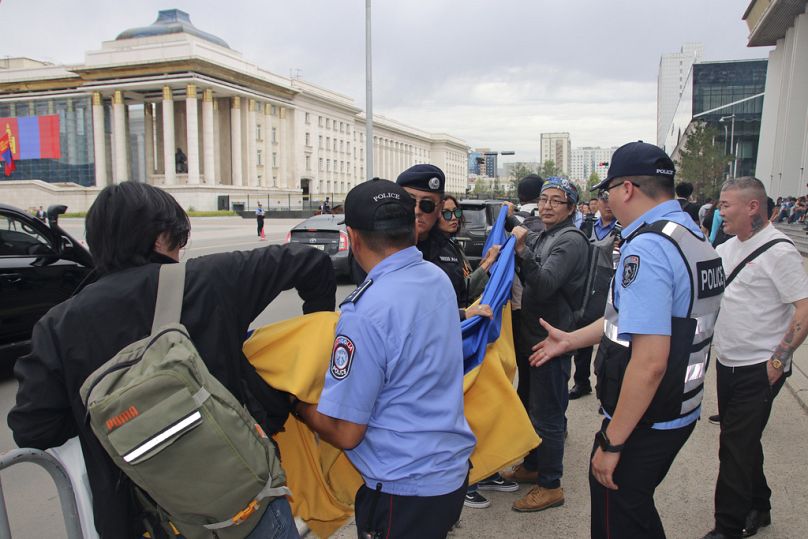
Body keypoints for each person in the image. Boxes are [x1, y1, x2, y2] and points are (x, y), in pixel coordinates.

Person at [7, 181, 336, 539]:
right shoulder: (211, 280)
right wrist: (311, 330)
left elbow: (33, 429)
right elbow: (312, 263)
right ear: (161, 237)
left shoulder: (57, 326)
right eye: (179, 240)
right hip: (242, 504)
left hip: (144, 520)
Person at [530, 142, 723, 538]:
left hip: (645, 416)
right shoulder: (689, 235)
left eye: (608, 191)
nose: (607, 199)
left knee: (618, 517)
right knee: (634, 510)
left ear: (627, 189)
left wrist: (612, 442)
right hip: (678, 406)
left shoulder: (649, 248)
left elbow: (650, 362)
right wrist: (571, 339)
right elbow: (633, 320)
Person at [292, 178, 476, 538]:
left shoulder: (364, 313)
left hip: (403, 489)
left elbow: (346, 432)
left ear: (354, 238)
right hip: (448, 472)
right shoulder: (435, 278)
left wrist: (296, 404)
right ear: (412, 227)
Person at [701, 177, 808, 539]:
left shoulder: (780, 251)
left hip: (760, 368)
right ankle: (759, 505)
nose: (719, 210)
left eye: (725, 204)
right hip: (728, 362)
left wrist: (778, 361)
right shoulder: (727, 247)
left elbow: (804, 310)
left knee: (733, 446)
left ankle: (726, 527)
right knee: (742, 440)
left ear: (752, 207)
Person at [501, 176, 589, 513]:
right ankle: (535, 463)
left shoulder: (569, 240)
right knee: (531, 406)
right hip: (534, 337)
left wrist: (522, 253)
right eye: (543, 199)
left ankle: (551, 484)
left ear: (570, 207)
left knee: (548, 414)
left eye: (556, 200)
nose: (547, 205)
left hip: (552, 339)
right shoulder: (546, 234)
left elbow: (545, 284)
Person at [569, 189, 621, 400]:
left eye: (611, 200)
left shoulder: (623, 229)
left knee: (609, 340)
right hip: (587, 286)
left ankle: (606, 389)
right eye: (603, 200)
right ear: (597, 202)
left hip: (611, 287)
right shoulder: (586, 225)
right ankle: (582, 382)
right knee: (583, 336)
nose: (607, 205)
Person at [396, 164, 467, 306]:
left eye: (426, 205)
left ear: (439, 208)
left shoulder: (448, 248)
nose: (416, 211)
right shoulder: (381, 248)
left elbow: (460, 298)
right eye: (410, 202)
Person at [438, 194, 501, 316]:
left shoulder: (453, 244)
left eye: (456, 212)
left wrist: (486, 261)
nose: (453, 218)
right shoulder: (435, 250)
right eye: (446, 213)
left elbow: (468, 277)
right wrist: (488, 262)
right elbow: (465, 289)